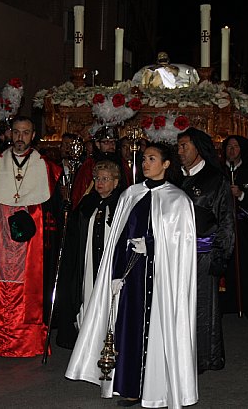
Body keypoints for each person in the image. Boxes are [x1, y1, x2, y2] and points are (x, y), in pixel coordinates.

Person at [66, 142, 198, 408]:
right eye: (145, 158)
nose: (145, 163)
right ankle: (128, 386)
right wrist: (115, 275)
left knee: (158, 330)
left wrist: (153, 246)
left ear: (166, 164)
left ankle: (157, 387)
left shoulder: (178, 200)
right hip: (132, 276)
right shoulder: (131, 195)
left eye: (152, 158)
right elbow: (119, 239)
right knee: (128, 330)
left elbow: (182, 246)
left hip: (161, 279)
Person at [0, 116, 63, 357]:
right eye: (17, 132)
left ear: (33, 135)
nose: (21, 137)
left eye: (26, 132)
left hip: (31, 244)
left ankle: (27, 342)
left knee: (28, 289)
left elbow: (52, 210)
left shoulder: (46, 166)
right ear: (10, 134)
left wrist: (33, 211)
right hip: (0, 239)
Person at [177, 127, 235, 373]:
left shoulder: (215, 179)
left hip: (203, 254)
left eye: (185, 146)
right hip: (175, 255)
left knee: (202, 308)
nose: (180, 151)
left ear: (198, 148)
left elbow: (226, 220)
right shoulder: (173, 177)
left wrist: (220, 255)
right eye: (178, 147)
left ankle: (203, 358)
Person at [55, 160, 122, 349]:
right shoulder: (88, 202)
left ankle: (110, 338)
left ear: (115, 182)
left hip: (110, 263)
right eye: (97, 179)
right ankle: (89, 339)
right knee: (89, 294)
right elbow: (75, 232)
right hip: (89, 261)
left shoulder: (122, 203)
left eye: (105, 179)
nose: (100, 182)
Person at [220, 135, 248, 322]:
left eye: (235, 147)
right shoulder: (219, 171)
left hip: (244, 227)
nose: (232, 150)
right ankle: (227, 304)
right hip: (224, 225)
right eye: (229, 146)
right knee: (226, 265)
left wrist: (241, 194)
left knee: (246, 265)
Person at [71, 125, 131, 208]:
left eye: (113, 142)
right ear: (97, 144)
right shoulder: (90, 164)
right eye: (106, 142)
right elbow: (80, 192)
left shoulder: (122, 163)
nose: (111, 145)